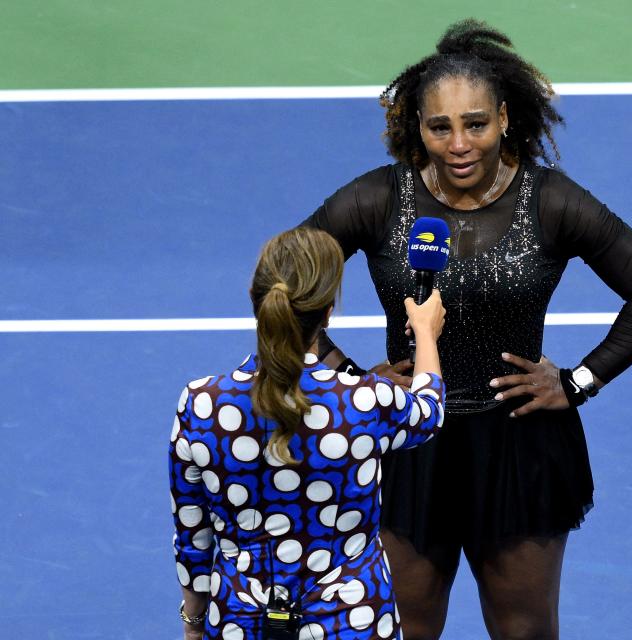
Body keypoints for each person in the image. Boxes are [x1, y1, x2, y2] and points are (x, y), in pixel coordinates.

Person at [301, 19, 632, 640]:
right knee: (405, 629)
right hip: (408, 446)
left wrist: (580, 381)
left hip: (519, 448)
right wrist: (348, 380)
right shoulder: (376, 199)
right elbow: (282, 289)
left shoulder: (552, 201)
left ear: (504, 118)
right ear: (415, 128)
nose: (458, 144)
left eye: (475, 123)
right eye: (439, 126)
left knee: (525, 631)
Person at [169, 226, 447, 639]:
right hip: (353, 622)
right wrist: (425, 332)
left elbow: (193, 534)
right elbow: (429, 410)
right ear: (328, 311)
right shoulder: (366, 402)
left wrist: (194, 623)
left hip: (237, 624)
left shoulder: (199, 405)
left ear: (256, 301)